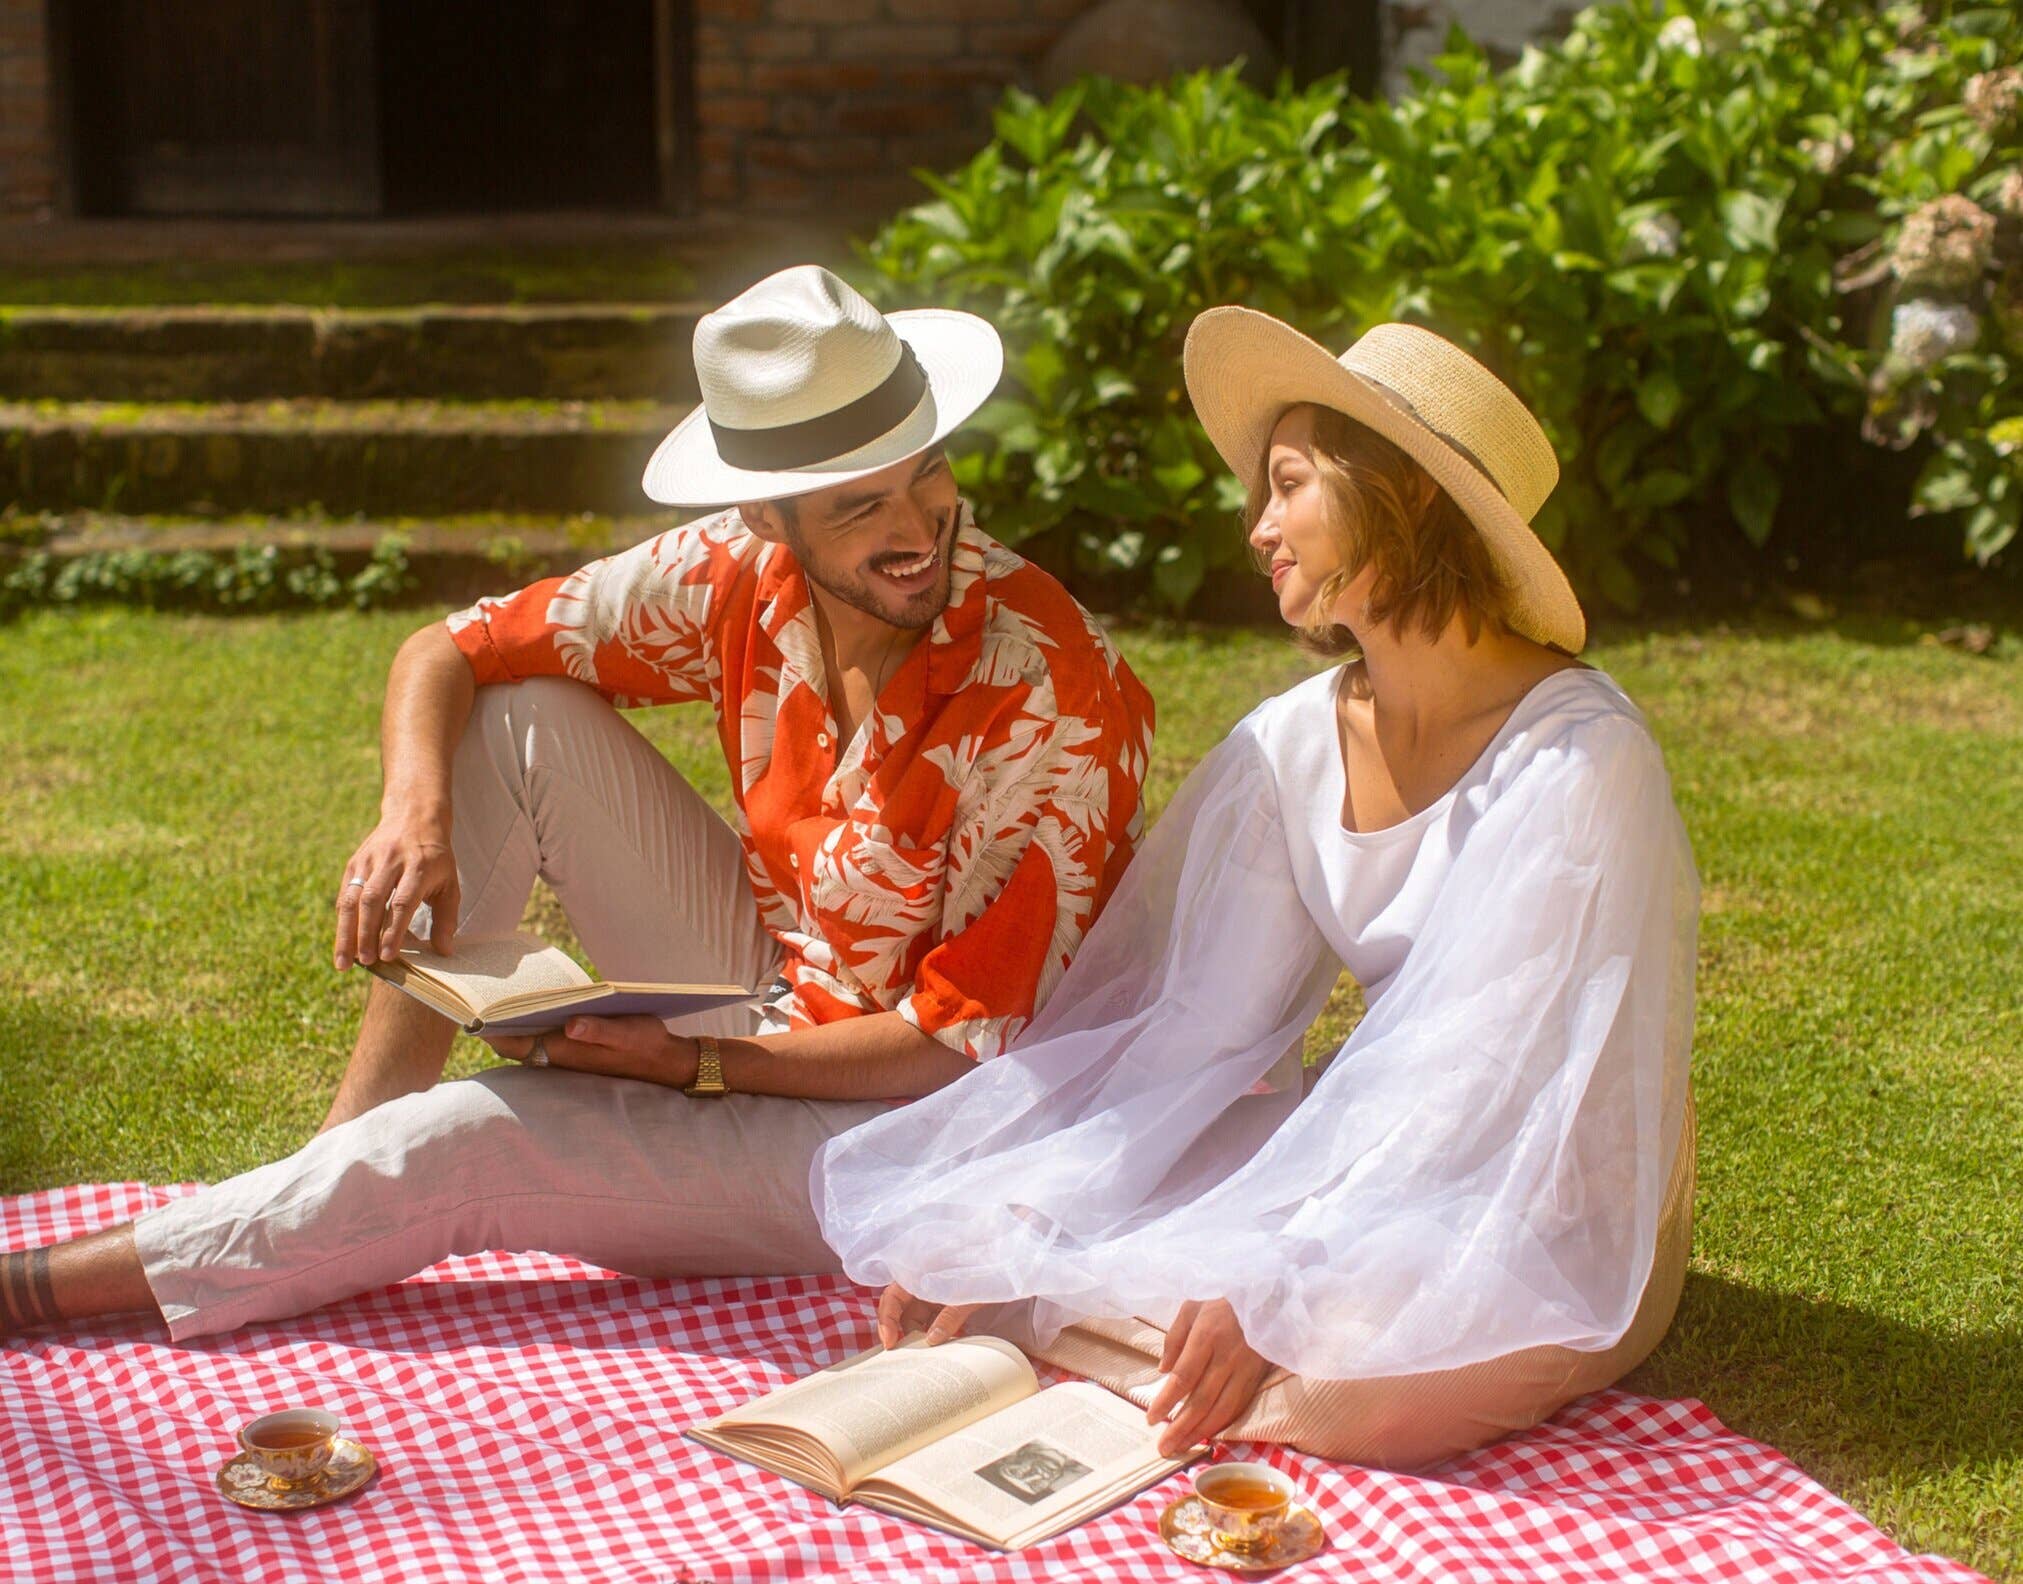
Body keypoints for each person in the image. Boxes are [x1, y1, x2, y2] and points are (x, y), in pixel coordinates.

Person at [0, 266, 1154, 1341]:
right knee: (518, 719)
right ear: (769, 517)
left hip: (918, 1134)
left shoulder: (1050, 689)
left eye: (928, 475)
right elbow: (449, 647)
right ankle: (327, 1166)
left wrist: (694, 1069)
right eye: (857, 508)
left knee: (459, 1141)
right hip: (781, 994)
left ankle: (38, 1294)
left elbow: (956, 1051)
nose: (915, 533)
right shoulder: (737, 575)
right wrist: (413, 816)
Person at [812, 310, 1699, 1470]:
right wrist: (1019, 1222)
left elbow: (1464, 1074)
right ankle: (1137, 1327)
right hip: (1386, 1164)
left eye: (1288, 485)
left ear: (1409, 494)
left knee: (1353, 1391)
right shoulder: (1293, 746)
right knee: (1075, 1227)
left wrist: (1268, 1269)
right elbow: (1190, 1029)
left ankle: (1122, 1333)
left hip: (1550, 1199)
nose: (1258, 528)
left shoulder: (1580, 764)